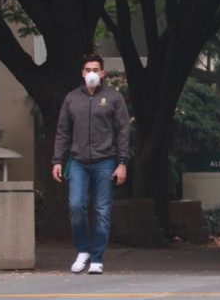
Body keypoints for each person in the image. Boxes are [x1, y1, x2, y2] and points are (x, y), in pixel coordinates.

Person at [52, 53, 130, 275]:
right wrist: (57, 160)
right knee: (76, 205)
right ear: (82, 73)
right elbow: (63, 132)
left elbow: (123, 131)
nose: (92, 74)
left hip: (106, 161)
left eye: (96, 70)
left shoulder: (113, 98)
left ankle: (97, 257)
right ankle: (83, 250)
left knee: (102, 210)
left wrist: (122, 162)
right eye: (88, 70)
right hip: (77, 162)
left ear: (103, 73)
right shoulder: (71, 99)